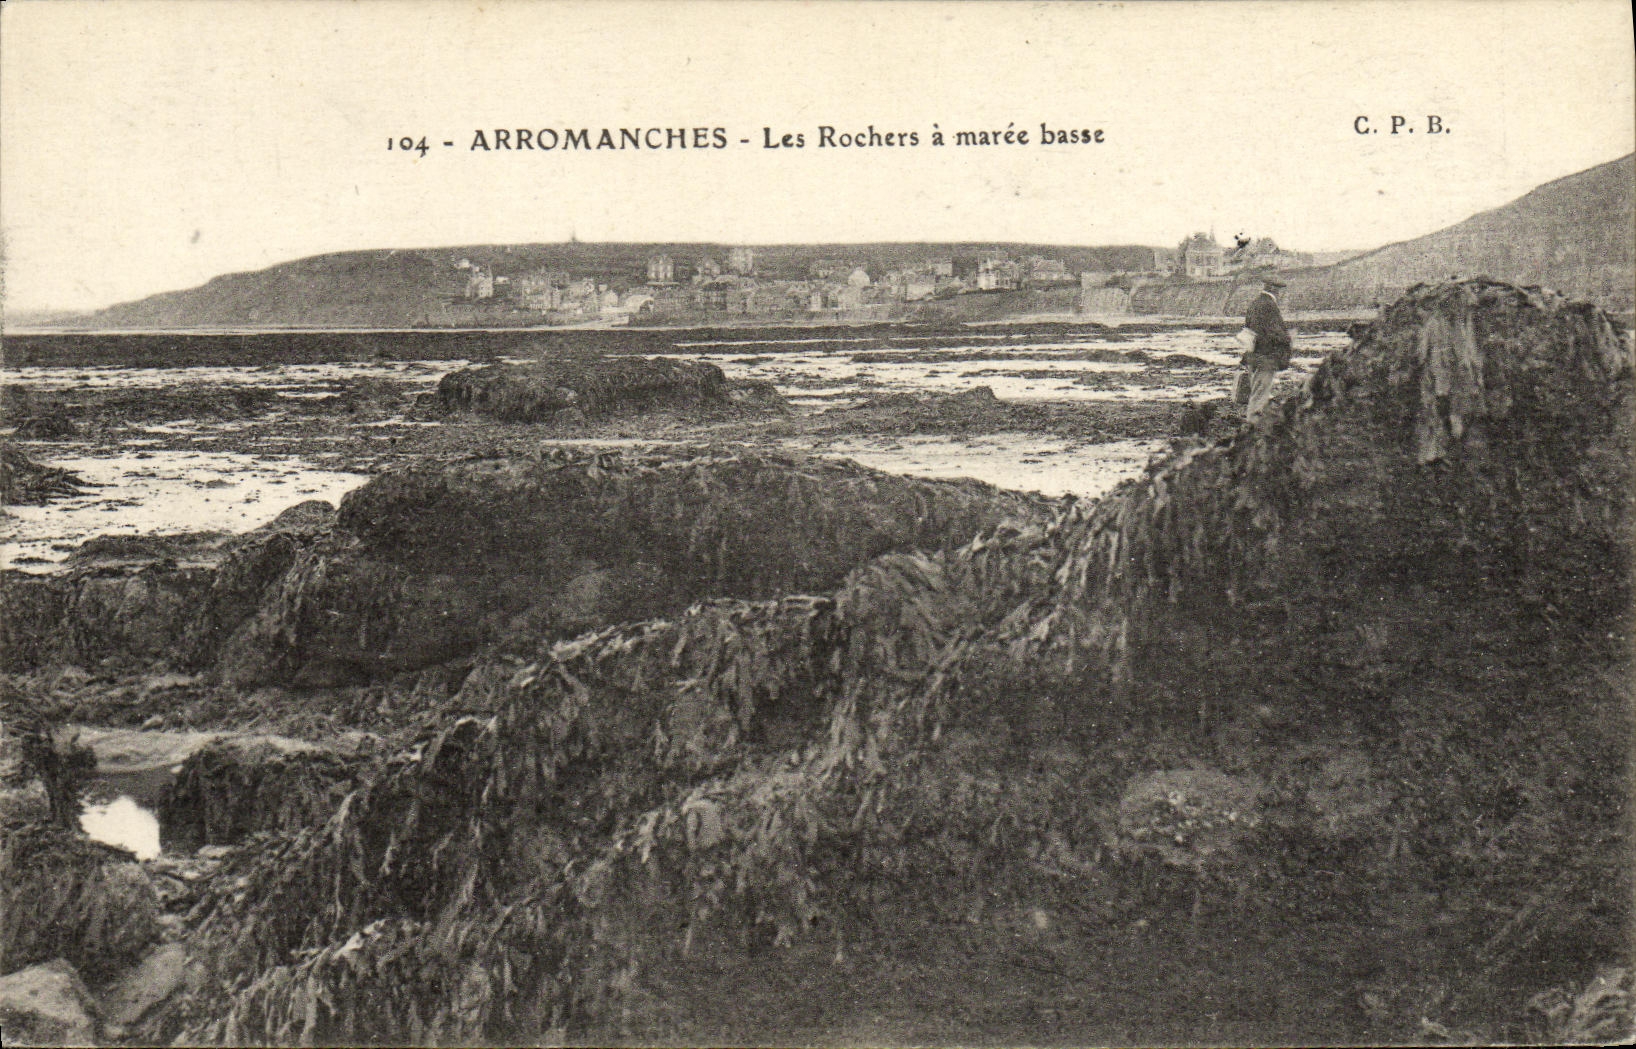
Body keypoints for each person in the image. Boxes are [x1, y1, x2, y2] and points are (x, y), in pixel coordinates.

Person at [1235, 277, 1291, 422]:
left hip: (1253, 356)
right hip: (1265, 358)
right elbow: (1273, 332)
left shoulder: (1255, 304)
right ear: (1273, 289)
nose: (1281, 294)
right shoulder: (1269, 305)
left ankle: (1252, 424)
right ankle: (1253, 426)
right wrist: (1287, 339)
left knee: (1256, 392)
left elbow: (1250, 328)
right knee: (1260, 394)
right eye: (1279, 290)